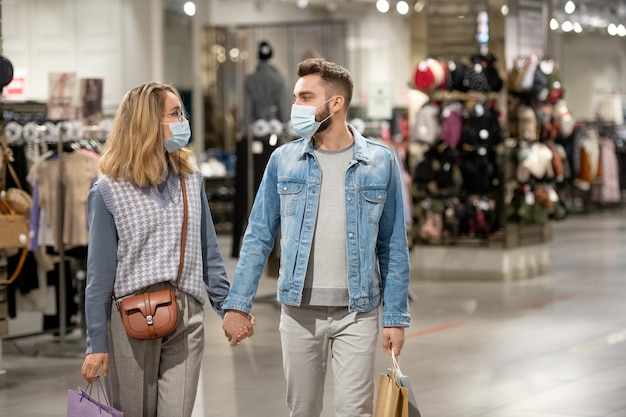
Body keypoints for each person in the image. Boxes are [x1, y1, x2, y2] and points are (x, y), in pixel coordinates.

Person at [222, 58, 412, 417]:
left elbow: (392, 245)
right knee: (303, 410)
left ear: (335, 103)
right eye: (295, 97)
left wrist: (395, 317)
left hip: (357, 312)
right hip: (297, 312)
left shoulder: (380, 161)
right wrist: (238, 304)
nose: (296, 106)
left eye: (306, 97)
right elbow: (259, 235)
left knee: (354, 412)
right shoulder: (283, 160)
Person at [80, 82, 231, 417]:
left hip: (187, 313)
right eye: (175, 114)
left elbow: (209, 252)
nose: (183, 120)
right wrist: (96, 342)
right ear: (148, 124)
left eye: (182, 113)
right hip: (131, 317)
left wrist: (227, 307)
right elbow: (99, 275)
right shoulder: (108, 191)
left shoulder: (191, 179)